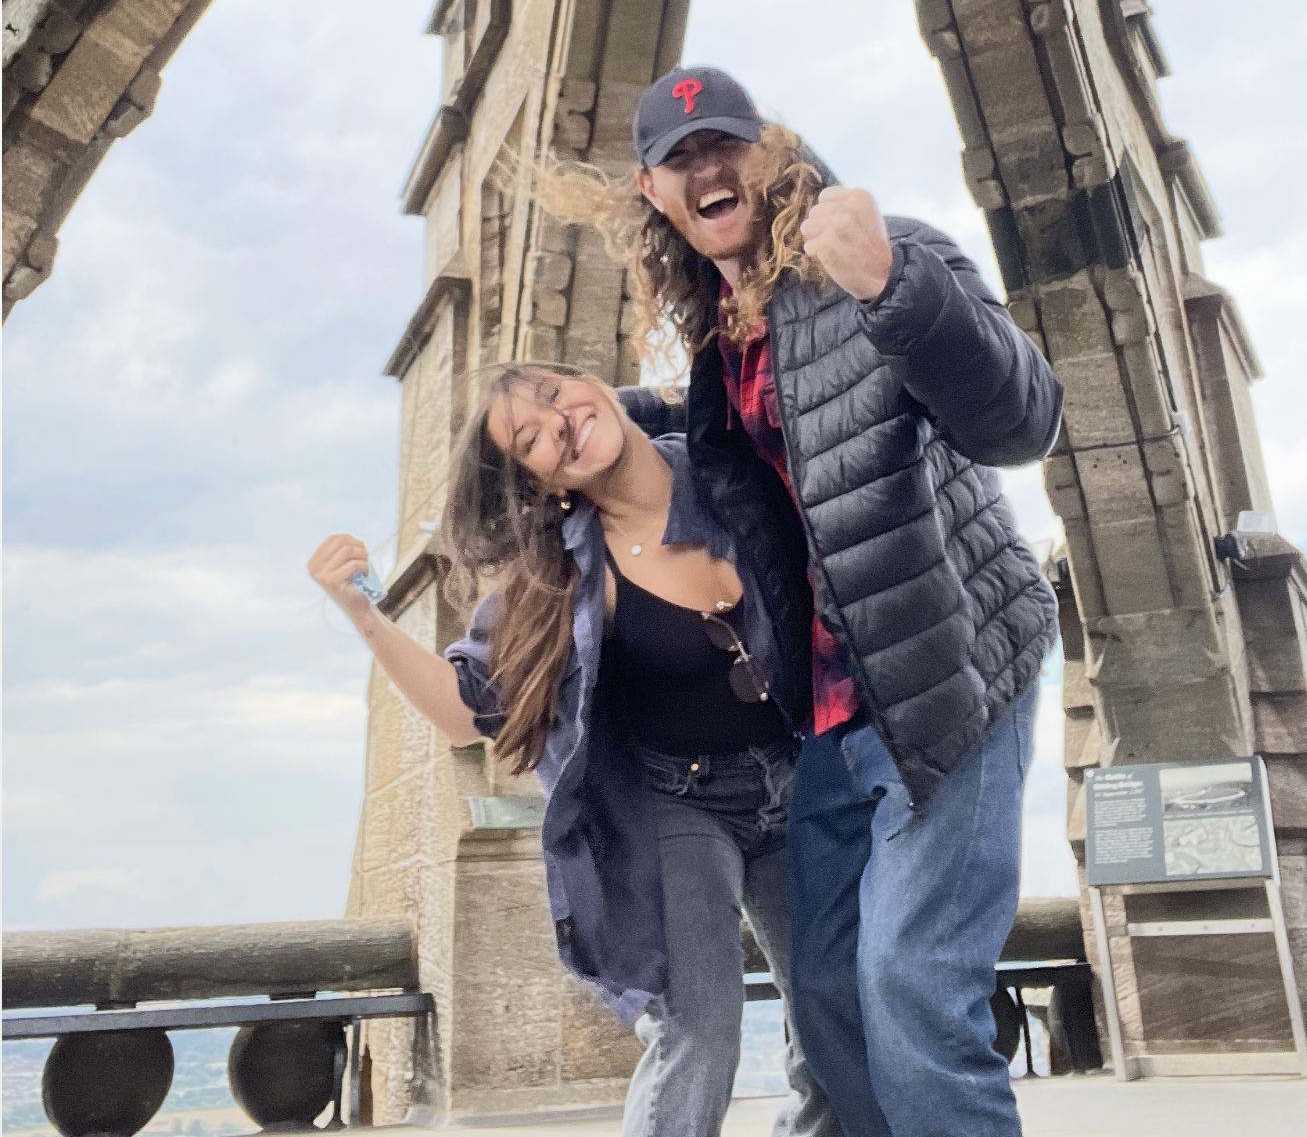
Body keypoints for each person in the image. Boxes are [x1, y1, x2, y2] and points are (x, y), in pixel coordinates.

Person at [552, 66, 1064, 1137]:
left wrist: (891, 283)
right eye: (680, 157)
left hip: (951, 669)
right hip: (833, 714)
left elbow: (1022, 419)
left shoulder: (888, 251)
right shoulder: (719, 338)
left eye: (725, 141)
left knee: (911, 984)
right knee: (826, 996)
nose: (707, 166)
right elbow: (699, 441)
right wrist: (551, 437)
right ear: (653, 190)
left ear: (770, 149)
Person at [308, 363, 839, 1137]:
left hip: (800, 780)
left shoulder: (729, 462)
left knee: (835, 1016)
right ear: (541, 482)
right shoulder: (564, 574)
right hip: (678, 805)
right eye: (530, 438)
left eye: (555, 395)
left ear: (589, 381)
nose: (559, 424)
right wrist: (364, 616)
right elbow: (464, 712)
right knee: (698, 1028)